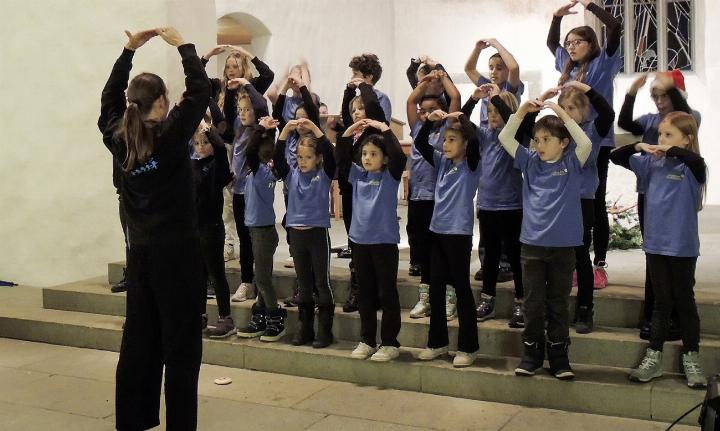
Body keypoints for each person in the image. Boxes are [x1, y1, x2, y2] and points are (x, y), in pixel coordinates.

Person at [98, 27, 210, 430]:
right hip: (178, 256)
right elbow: (200, 91)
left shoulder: (118, 137)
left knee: (140, 342)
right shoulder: (169, 136)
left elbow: (109, 99)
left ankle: (133, 419)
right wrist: (184, 45)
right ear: (161, 102)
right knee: (180, 348)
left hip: (141, 256)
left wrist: (128, 49)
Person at [610, 112, 706, 389]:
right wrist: (641, 146)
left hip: (682, 247)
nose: (661, 140)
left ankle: (692, 356)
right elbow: (615, 157)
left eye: (668, 135)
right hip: (655, 246)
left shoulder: (691, 168)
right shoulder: (650, 165)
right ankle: (654, 356)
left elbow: (697, 161)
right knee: (661, 303)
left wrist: (673, 150)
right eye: (660, 135)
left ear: (687, 140)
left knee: (684, 302)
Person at [499, 99, 592, 380]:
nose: (539, 144)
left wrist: (560, 112)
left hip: (564, 247)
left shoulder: (572, 163)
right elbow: (505, 136)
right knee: (533, 301)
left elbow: (584, 141)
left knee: (558, 302)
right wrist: (522, 112)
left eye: (547, 139)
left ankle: (559, 356)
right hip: (532, 245)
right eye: (537, 139)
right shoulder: (529, 162)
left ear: (563, 142)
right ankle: (531, 354)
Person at [618, 70, 701, 340]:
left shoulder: (690, 117)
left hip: (677, 196)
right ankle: (653, 316)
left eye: (664, 95)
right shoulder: (652, 122)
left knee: (678, 267)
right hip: (651, 191)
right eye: (655, 96)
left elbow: (684, 117)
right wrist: (631, 92)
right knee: (655, 257)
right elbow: (624, 126)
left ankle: (677, 318)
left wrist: (671, 89)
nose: (659, 101)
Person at [548, 0, 622, 289]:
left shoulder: (603, 62)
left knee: (595, 200)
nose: (570, 46)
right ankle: (575, 259)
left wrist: (591, 6)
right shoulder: (566, 66)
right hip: (569, 141)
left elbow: (615, 26)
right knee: (573, 201)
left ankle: (598, 264)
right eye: (568, 43)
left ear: (591, 43)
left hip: (597, 139)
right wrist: (556, 18)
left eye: (576, 41)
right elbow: (551, 43)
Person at [414, 110, 481, 368]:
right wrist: (432, 121)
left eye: (452, 140)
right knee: (436, 289)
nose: (446, 144)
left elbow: (475, 139)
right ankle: (438, 342)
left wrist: (459, 116)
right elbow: (420, 143)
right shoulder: (442, 162)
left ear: (464, 143)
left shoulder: (471, 165)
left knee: (462, 290)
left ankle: (468, 346)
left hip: (458, 235)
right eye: (445, 139)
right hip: (437, 232)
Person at [337, 119, 407, 361]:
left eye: (374, 154)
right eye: (365, 153)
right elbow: (342, 156)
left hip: (384, 243)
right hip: (360, 242)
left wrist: (383, 128)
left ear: (384, 159)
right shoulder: (357, 176)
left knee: (387, 293)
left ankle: (390, 342)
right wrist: (349, 131)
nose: (367, 158)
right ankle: (367, 340)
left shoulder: (390, 176)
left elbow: (399, 155)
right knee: (365, 293)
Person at [557, 81, 615, 334]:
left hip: (583, 201)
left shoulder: (593, 128)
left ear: (583, 109)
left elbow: (609, 113)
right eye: (563, 108)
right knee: (560, 257)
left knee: (581, 256)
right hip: (560, 200)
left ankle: (585, 308)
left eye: (571, 107)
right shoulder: (559, 135)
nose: (567, 113)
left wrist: (585, 87)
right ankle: (558, 308)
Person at [275, 118, 337, 348]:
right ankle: (305, 327)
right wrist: (285, 130)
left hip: (317, 234)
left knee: (321, 282)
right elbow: (279, 156)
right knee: (303, 284)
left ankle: (325, 330)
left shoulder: (324, 175)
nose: (302, 162)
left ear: (317, 158)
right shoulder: (291, 176)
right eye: (300, 157)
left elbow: (331, 155)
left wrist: (314, 129)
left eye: (308, 157)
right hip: (297, 235)